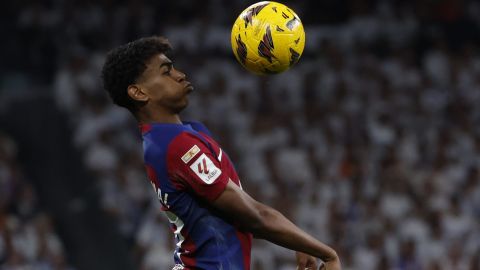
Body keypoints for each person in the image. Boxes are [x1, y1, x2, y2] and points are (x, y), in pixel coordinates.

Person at [101, 36, 341, 270]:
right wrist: (326, 253)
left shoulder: (186, 134)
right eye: (166, 71)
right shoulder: (177, 146)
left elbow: (239, 216)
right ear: (139, 92)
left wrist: (298, 241)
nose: (180, 74)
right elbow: (255, 217)